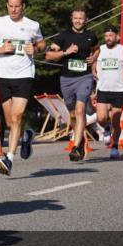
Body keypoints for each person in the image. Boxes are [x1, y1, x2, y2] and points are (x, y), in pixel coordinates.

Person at [0, 0, 45, 175]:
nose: (14, 9)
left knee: (17, 117)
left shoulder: (32, 25)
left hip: (24, 75)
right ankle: (26, 137)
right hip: (3, 76)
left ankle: (9, 159)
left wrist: (36, 49)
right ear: (7, 6)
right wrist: (0, 49)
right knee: (11, 122)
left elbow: (42, 44)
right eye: (10, 6)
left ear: (23, 6)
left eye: (17, 6)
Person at [46, 8, 99, 162]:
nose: (78, 21)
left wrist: (94, 58)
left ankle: (75, 147)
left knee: (80, 109)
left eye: (81, 18)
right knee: (73, 115)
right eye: (75, 18)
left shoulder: (91, 36)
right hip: (67, 79)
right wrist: (65, 52)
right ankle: (80, 140)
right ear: (71, 19)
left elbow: (97, 49)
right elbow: (49, 55)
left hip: (84, 77)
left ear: (86, 20)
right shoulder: (63, 36)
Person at [94, 25, 123, 158]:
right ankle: (106, 129)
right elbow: (93, 62)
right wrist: (93, 71)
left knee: (115, 121)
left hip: (119, 90)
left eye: (111, 36)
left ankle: (115, 146)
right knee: (101, 118)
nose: (108, 38)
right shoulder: (99, 49)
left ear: (117, 37)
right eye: (106, 36)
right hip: (103, 89)